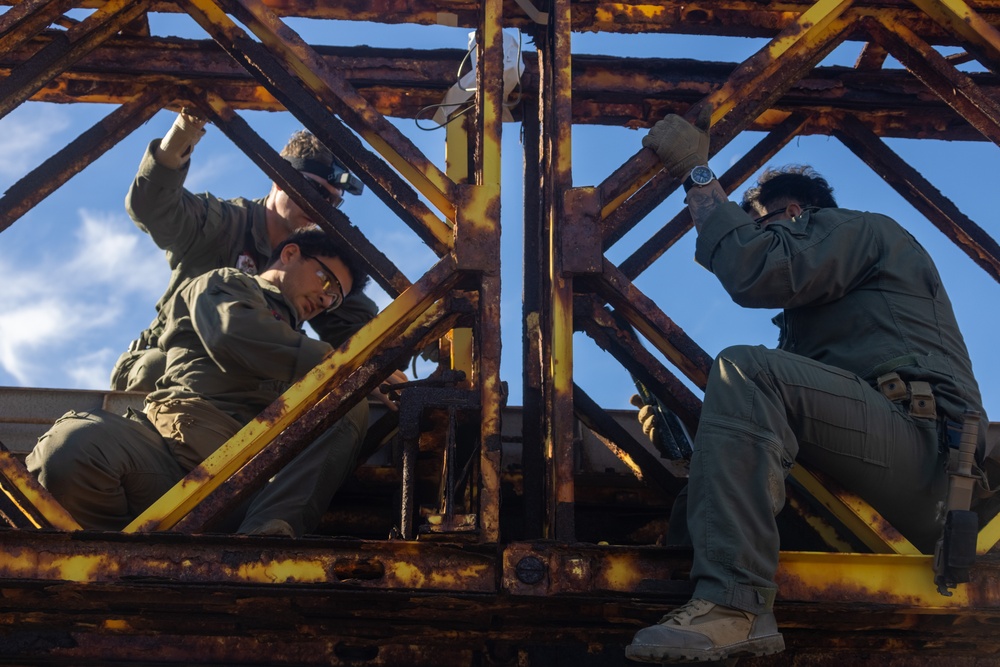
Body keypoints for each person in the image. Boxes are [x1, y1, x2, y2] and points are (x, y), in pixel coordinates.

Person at [626, 112, 991, 663]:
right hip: (884, 456)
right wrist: (691, 450)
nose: (757, 234)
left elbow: (757, 270)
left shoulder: (860, 231)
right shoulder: (815, 335)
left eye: (761, 224)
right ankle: (696, 608)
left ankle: (735, 607)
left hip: (929, 458)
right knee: (695, 492)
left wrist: (697, 174)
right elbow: (756, 443)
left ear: (794, 213)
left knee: (748, 370)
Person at [28, 229, 371, 537]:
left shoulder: (314, 360)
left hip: (242, 490)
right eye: (326, 281)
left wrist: (363, 380)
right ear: (290, 253)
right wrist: (341, 362)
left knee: (349, 400)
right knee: (72, 446)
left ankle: (264, 539)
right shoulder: (227, 284)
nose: (326, 300)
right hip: (164, 458)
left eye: (336, 298)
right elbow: (233, 333)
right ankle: (116, 564)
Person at [111, 110, 379, 393]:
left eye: (330, 202)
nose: (318, 206)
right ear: (279, 179)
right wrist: (185, 128)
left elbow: (362, 332)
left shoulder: (318, 270)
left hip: (251, 382)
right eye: (312, 190)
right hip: (170, 364)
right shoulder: (225, 223)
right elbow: (152, 207)